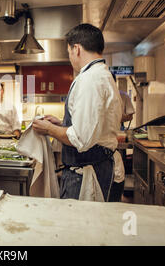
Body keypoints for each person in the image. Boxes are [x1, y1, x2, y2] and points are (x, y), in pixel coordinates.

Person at [32, 23, 122, 201]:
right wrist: (61, 124)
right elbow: (92, 126)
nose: (70, 58)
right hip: (96, 167)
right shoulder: (101, 74)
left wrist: (48, 129)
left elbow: (80, 138)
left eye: (69, 52)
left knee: (80, 227)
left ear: (77, 49)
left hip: (88, 174)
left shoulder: (90, 79)